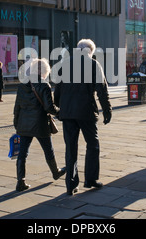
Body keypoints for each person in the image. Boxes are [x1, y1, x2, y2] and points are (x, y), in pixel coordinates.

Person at [54, 39, 112, 196]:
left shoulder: (64, 64)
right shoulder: (94, 64)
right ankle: (91, 179)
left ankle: (71, 185)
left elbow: (57, 89)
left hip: (67, 113)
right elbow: (102, 90)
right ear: (90, 51)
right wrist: (107, 110)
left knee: (70, 148)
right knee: (93, 144)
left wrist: (57, 109)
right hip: (86, 112)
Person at [13, 58, 65, 191]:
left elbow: (17, 107)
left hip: (24, 123)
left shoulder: (22, 84)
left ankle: (20, 181)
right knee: (48, 150)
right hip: (40, 123)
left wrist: (17, 123)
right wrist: (60, 111)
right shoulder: (43, 85)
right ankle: (55, 172)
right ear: (43, 71)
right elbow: (49, 107)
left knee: (22, 153)